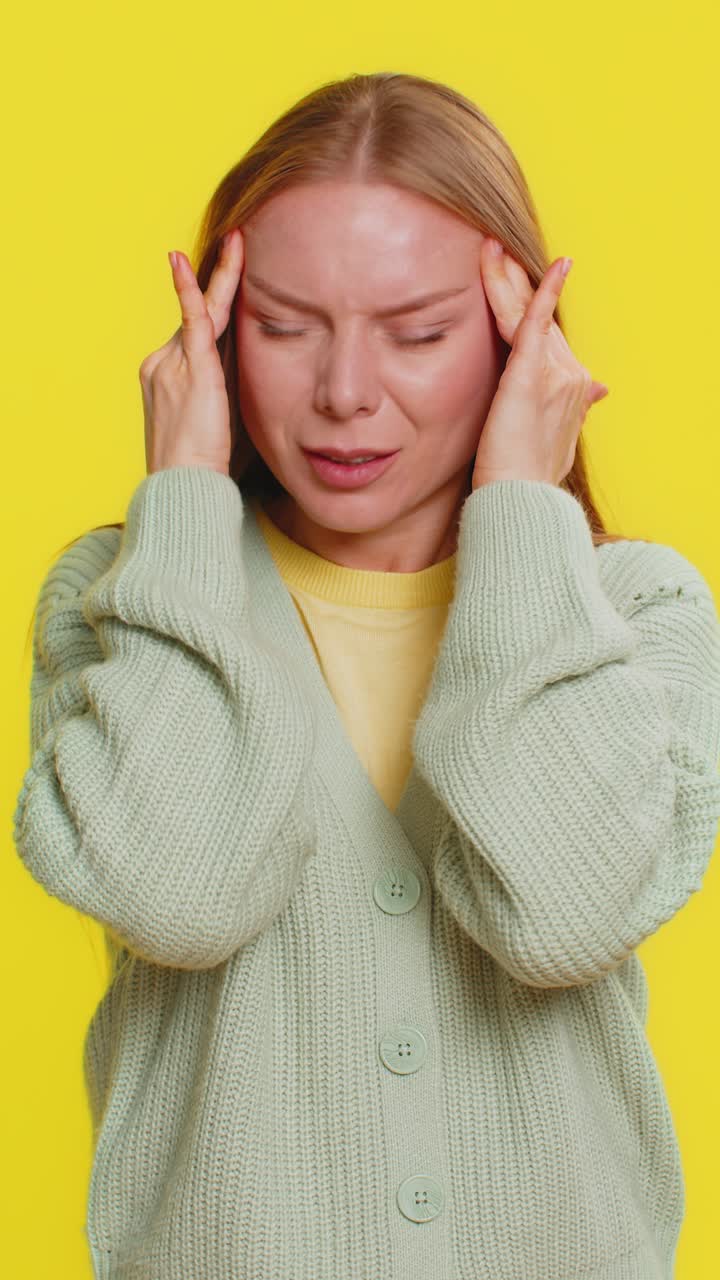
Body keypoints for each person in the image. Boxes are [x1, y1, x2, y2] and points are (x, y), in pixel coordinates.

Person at [13, 70, 720, 1280]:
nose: (345, 393)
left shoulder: (634, 608)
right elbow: (180, 895)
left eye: (419, 332)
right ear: (215, 332)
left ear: (520, 333)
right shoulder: (124, 595)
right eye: (284, 326)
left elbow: (563, 913)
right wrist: (180, 504)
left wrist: (518, 511)